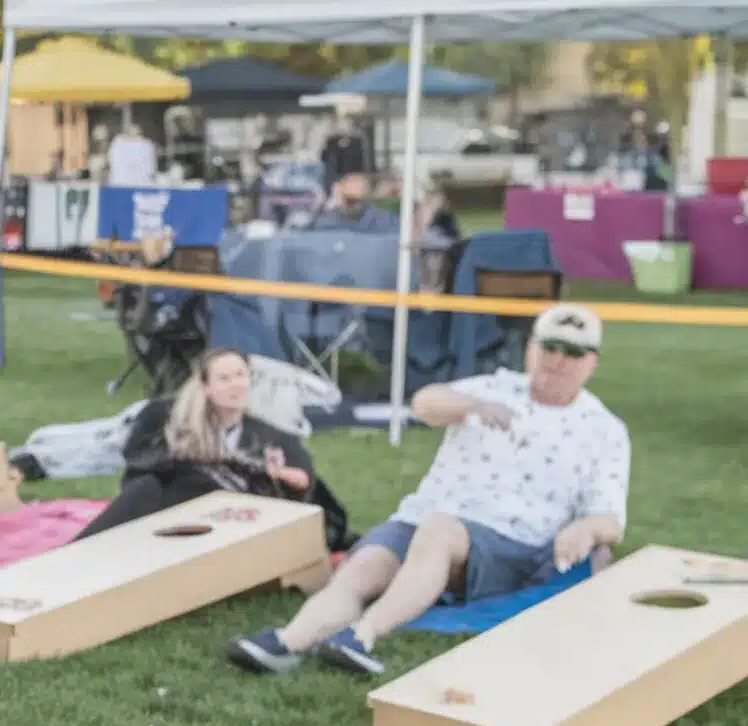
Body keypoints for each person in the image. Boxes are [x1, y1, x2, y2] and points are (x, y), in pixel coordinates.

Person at [228, 304, 629, 677]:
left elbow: (611, 518)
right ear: (530, 348)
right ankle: (287, 642)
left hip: (509, 540)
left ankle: (362, 635)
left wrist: (586, 530)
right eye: (550, 347)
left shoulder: (603, 429)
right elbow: (423, 403)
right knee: (365, 567)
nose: (558, 361)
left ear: (591, 363)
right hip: (423, 516)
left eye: (573, 353)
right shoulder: (494, 386)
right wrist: (472, 406)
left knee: (439, 531)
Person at [71, 349, 348, 545]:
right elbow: (138, 458)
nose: (235, 385)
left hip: (234, 521)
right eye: (225, 379)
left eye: (241, 376)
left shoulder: (268, 434)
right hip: (174, 506)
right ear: (205, 386)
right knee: (148, 488)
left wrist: (281, 474)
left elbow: (303, 479)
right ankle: (76, 553)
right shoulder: (166, 416)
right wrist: (191, 458)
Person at [310, 174, 400, 234]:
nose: (354, 203)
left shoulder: (385, 219)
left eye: (357, 199)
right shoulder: (325, 221)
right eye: (349, 199)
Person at [107, 122, 158, 187]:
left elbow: (150, 165)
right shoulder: (118, 143)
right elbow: (112, 159)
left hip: (141, 181)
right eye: (132, 129)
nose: (134, 131)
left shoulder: (146, 145)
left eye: (135, 129)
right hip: (122, 181)